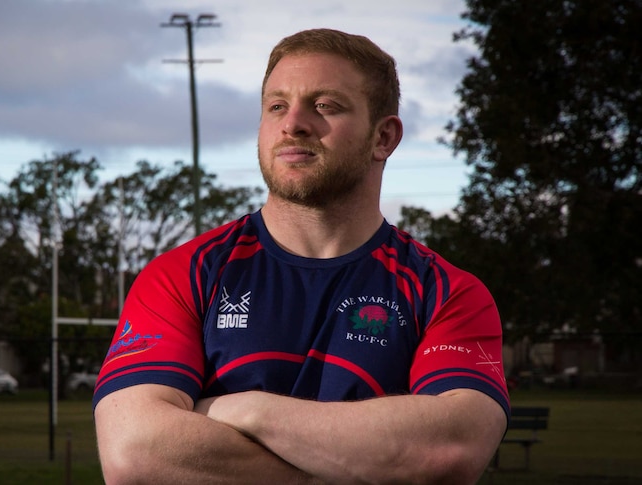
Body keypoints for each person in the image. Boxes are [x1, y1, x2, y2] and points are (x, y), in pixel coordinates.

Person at [93, 28, 509, 484]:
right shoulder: (182, 275)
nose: (293, 123)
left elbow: (450, 450)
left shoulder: (448, 293)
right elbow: (135, 453)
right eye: (276, 106)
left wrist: (246, 410)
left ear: (383, 137)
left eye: (325, 105)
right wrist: (342, 471)